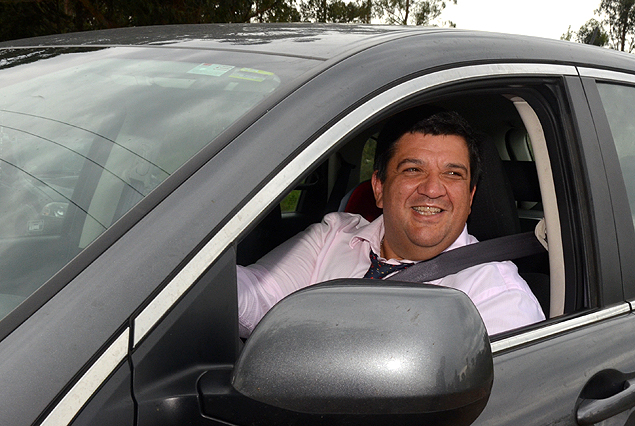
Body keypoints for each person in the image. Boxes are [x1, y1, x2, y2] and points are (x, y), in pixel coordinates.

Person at [237, 110, 545, 338]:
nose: (433, 189)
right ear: (379, 188)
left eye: (453, 174)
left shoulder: (498, 298)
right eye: (413, 169)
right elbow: (257, 294)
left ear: (470, 196)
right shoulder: (332, 235)